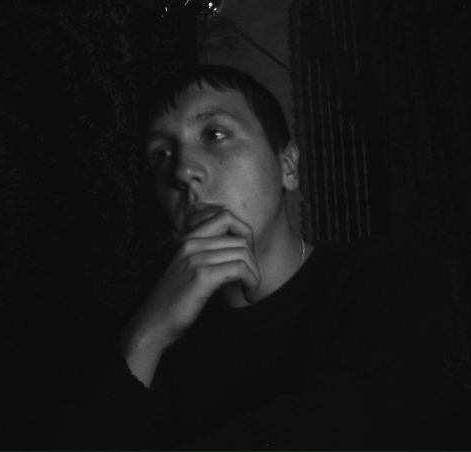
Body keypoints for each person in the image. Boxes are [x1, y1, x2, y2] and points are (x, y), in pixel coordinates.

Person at [54, 65, 454, 450]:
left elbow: (357, 427)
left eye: (215, 134)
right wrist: (145, 336)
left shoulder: (387, 278)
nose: (183, 170)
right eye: (161, 153)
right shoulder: (149, 340)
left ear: (288, 166)